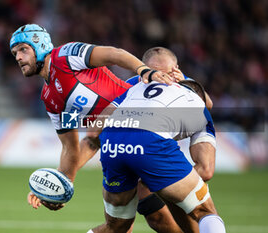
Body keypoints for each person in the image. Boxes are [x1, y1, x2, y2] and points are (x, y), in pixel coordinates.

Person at [9, 24, 174, 210]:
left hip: (143, 123)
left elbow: (115, 54)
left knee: (164, 204)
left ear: (40, 46)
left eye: (23, 49)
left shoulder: (66, 57)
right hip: (116, 147)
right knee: (147, 218)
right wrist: (58, 185)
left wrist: (144, 70)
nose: (19, 58)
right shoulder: (51, 98)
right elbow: (72, 148)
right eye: (15, 53)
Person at [87, 79, 225, 233]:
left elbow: (93, 132)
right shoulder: (198, 106)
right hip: (150, 148)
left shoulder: (138, 85)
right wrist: (160, 181)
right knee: (205, 211)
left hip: (113, 140)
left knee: (116, 227)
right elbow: (206, 170)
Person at [128, 47, 216, 233]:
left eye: (167, 72)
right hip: (155, 137)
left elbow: (208, 104)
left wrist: (183, 81)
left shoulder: (184, 81)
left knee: (206, 170)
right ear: (143, 69)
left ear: (176, 68)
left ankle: (168, 186)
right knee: (155, 216)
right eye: (155, 72)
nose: (162, 77)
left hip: (195, 121)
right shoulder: (132, 85)